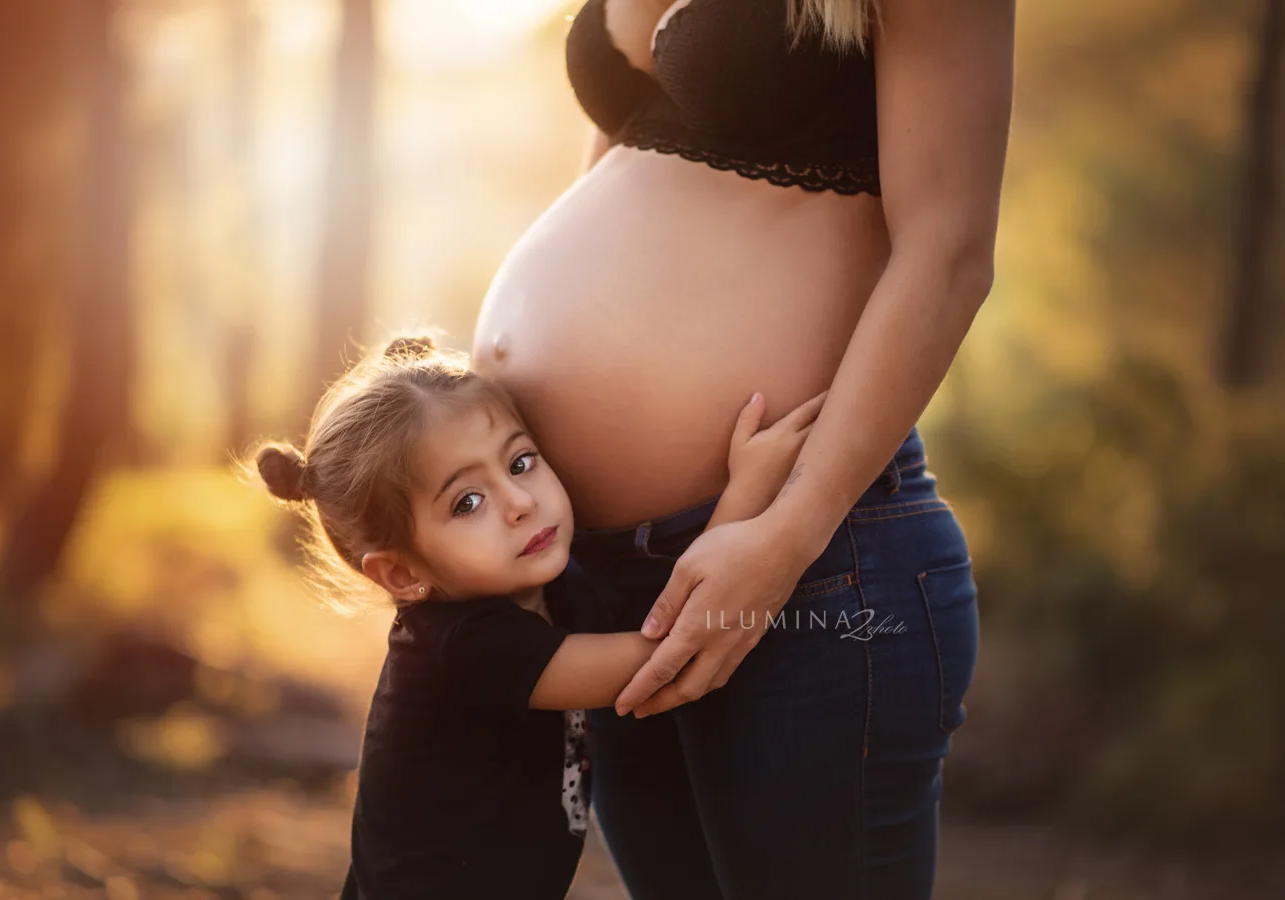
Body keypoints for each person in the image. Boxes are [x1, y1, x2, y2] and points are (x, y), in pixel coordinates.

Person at [471, 0, 1013, 896]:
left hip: (805, 557)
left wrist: (785, 533)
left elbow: (949, 252)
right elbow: (619, 167)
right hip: (596, 576)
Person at [250, 336, 826, 900]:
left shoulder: (548, 586)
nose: (520, 501)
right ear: (401, 575)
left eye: (521, 462)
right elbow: (670, 655)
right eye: (466, 503)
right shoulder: (461, 649)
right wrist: (748, 494)